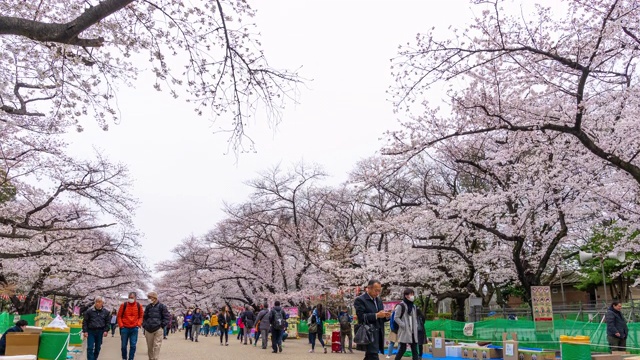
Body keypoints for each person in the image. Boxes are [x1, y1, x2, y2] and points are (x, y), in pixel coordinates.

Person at [354, 280, 391, 360]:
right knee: (373, 356)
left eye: (379, 291)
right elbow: (361, 317)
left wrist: (386, 316)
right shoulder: (360, 300)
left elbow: (380, 317)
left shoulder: (379, 300)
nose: (377, 293)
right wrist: (376, 315)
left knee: (370, 356)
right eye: (376, 290)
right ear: (369, 288)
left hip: (378, 333)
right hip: (368, 332)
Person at [393, 288, 420, 360]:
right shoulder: (400, 306)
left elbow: (415, 318)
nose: (412, 296)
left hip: (413, 331)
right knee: (402, 349)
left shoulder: (413, 306)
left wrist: (416, 325)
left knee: (415, 350)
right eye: (410, 294)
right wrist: (403, 325)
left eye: (412, 294)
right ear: (406, 295)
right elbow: (396, 317)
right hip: (405, 331)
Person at [142, 291, 170, 360]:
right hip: (148, 328)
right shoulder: (148, 307)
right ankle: (151, 358)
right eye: (148, 298)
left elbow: (166, 317)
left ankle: (155, 358)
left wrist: (162, 325)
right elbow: (144, 317)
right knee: (149, 346)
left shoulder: (162, 306)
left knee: (157, 345)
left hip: (158, 328)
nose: (149, 299)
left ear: (154, 298)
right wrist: (144, 325)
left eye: (150, 298)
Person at [117, 291, 144, 360]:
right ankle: (124, 358)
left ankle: (131, 358)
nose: (130, 299)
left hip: (134, 328)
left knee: (133, 345)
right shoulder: (124, 305)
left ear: (135, 298)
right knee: (123, 346)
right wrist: (121, 325)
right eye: (129, 297)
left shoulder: (139, 306)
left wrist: (138, 324)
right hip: (124, 328)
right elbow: (119, 316)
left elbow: (141, 316)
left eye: (132, 297)